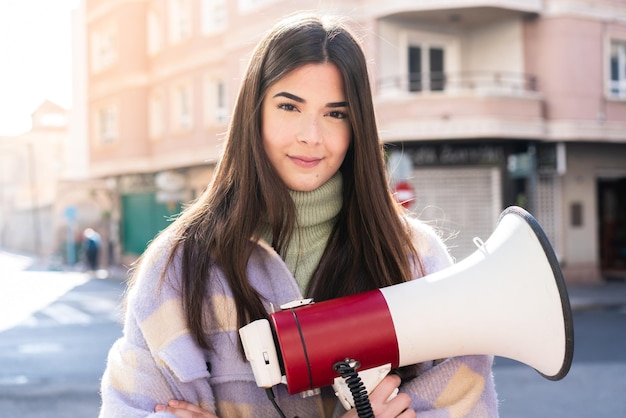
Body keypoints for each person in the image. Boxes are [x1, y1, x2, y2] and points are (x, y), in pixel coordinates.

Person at [99, 13, 498, 418]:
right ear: (253, 112)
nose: (311, 135)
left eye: (335, 113)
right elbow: (128, 408)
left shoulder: (415, 256)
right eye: (289, 106)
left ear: (358, 125)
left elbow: (468, 406)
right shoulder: (178, 267)